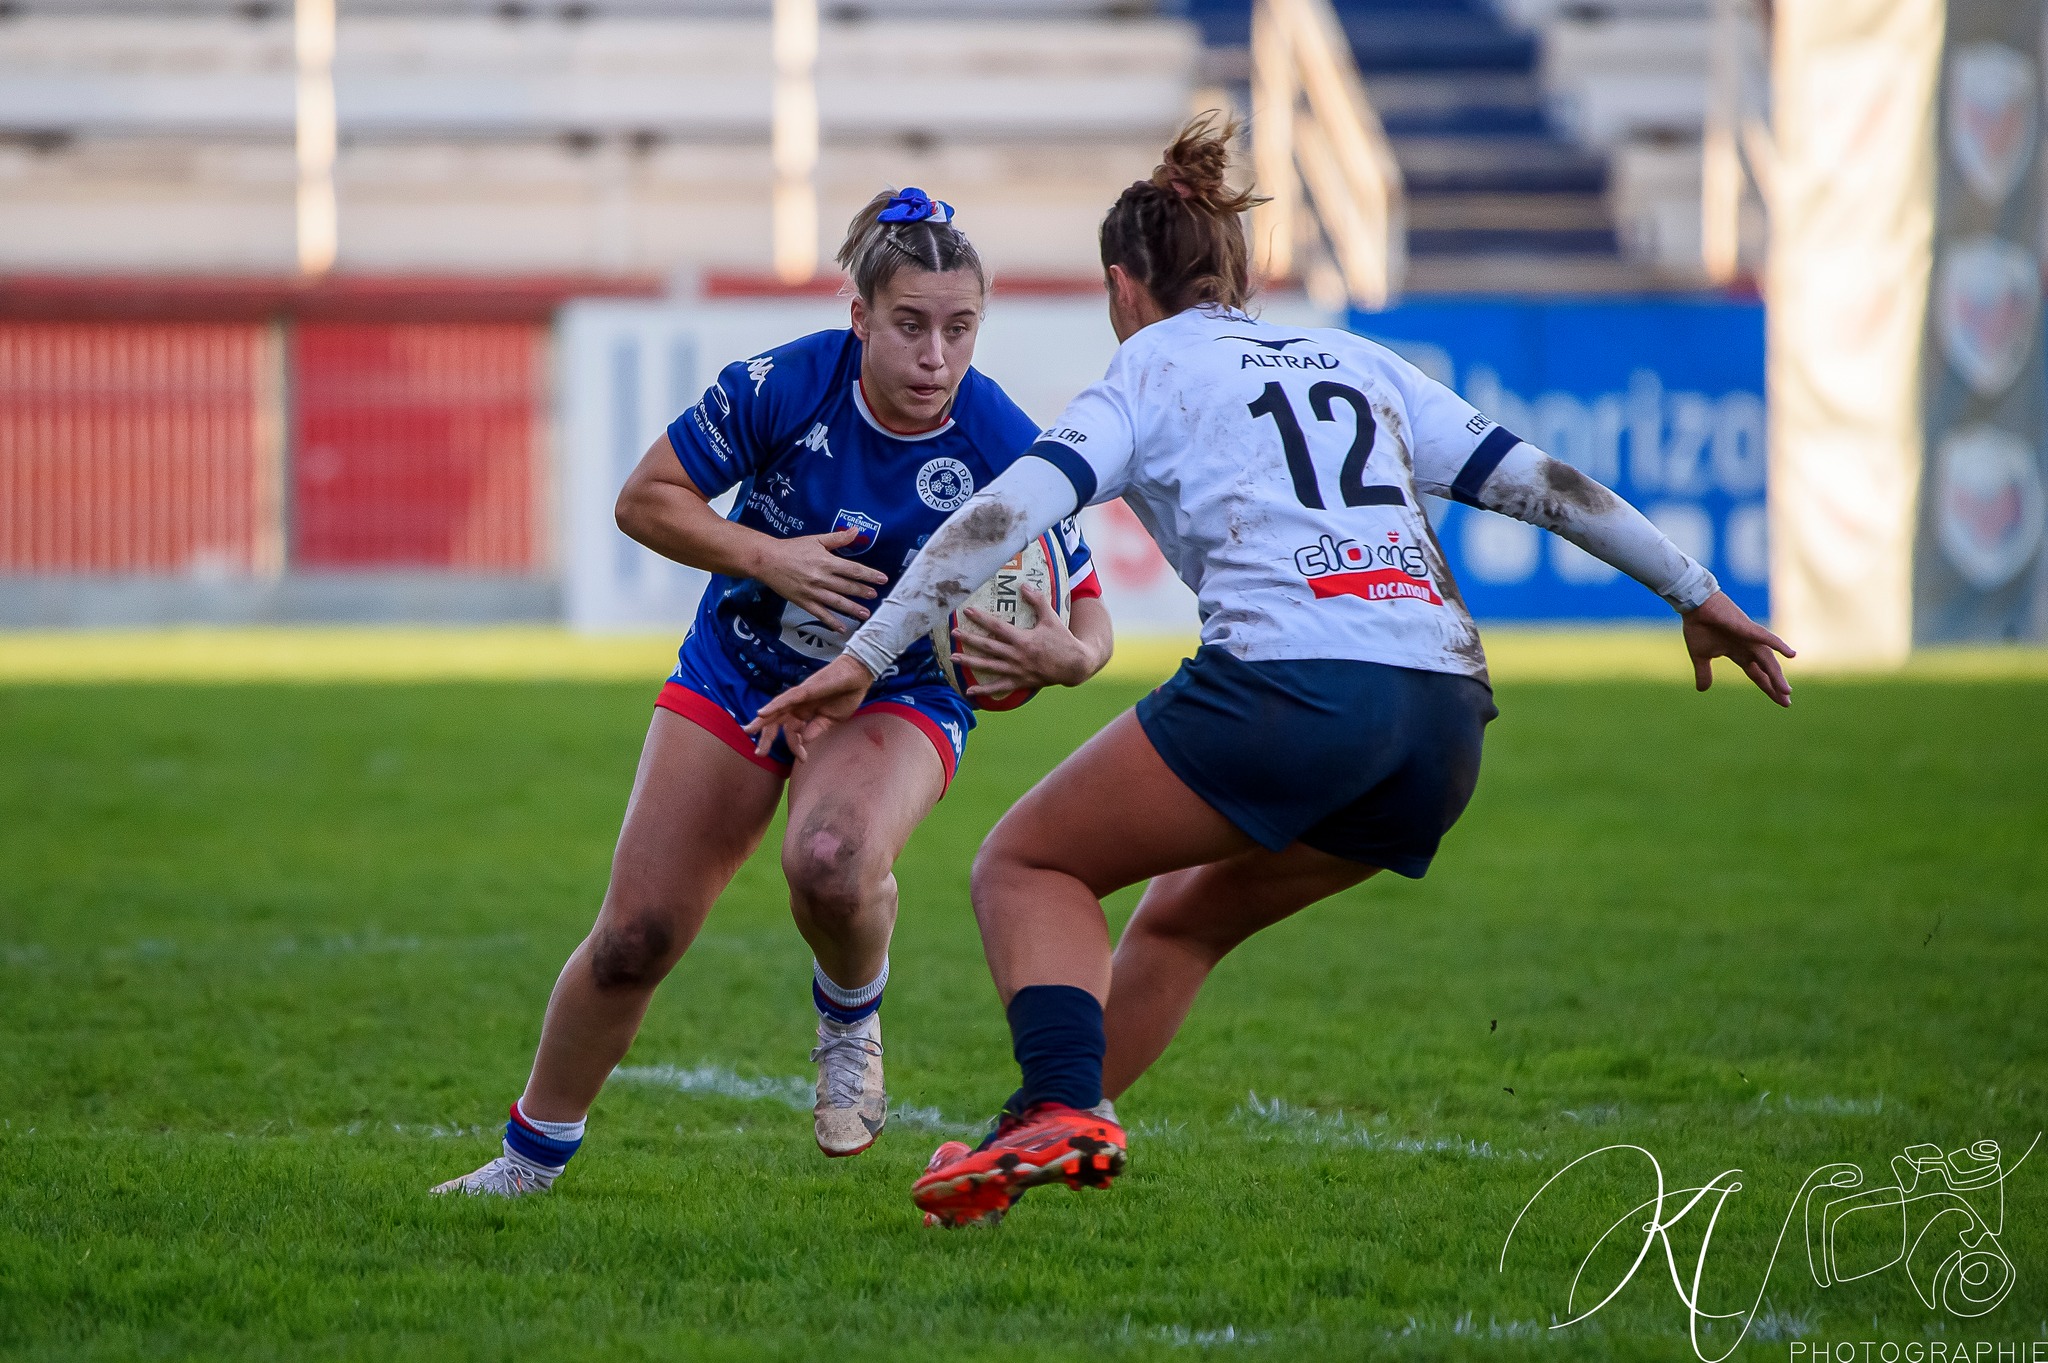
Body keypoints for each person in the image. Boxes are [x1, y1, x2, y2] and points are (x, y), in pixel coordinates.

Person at [747, 116, 1796, 1228]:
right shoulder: (1359, 359)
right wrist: (1695, 592)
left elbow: (1001, 513)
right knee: (1183, 921)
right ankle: (1034, 1134)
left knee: (1024, 866)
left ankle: (1061, 1100)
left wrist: (863, 656)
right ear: (1235, 275)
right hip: (1442, 719)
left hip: (1290, 689)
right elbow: (1541, 480)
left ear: (1121, 287)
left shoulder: (1145, 367)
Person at [432, 187, 1112, 1197]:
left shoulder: (998, 441)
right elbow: (643, 499)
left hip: (896, 691)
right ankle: (528, 1160)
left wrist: (1066, 657)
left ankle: (848, 1009)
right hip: (742, 664)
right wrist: (773, 558)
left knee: (832, 860)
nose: (935, 356)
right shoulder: (788, 384)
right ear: (859, 317)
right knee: (634, 936)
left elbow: (1090, 613)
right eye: (910, 326)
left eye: (959, 329)